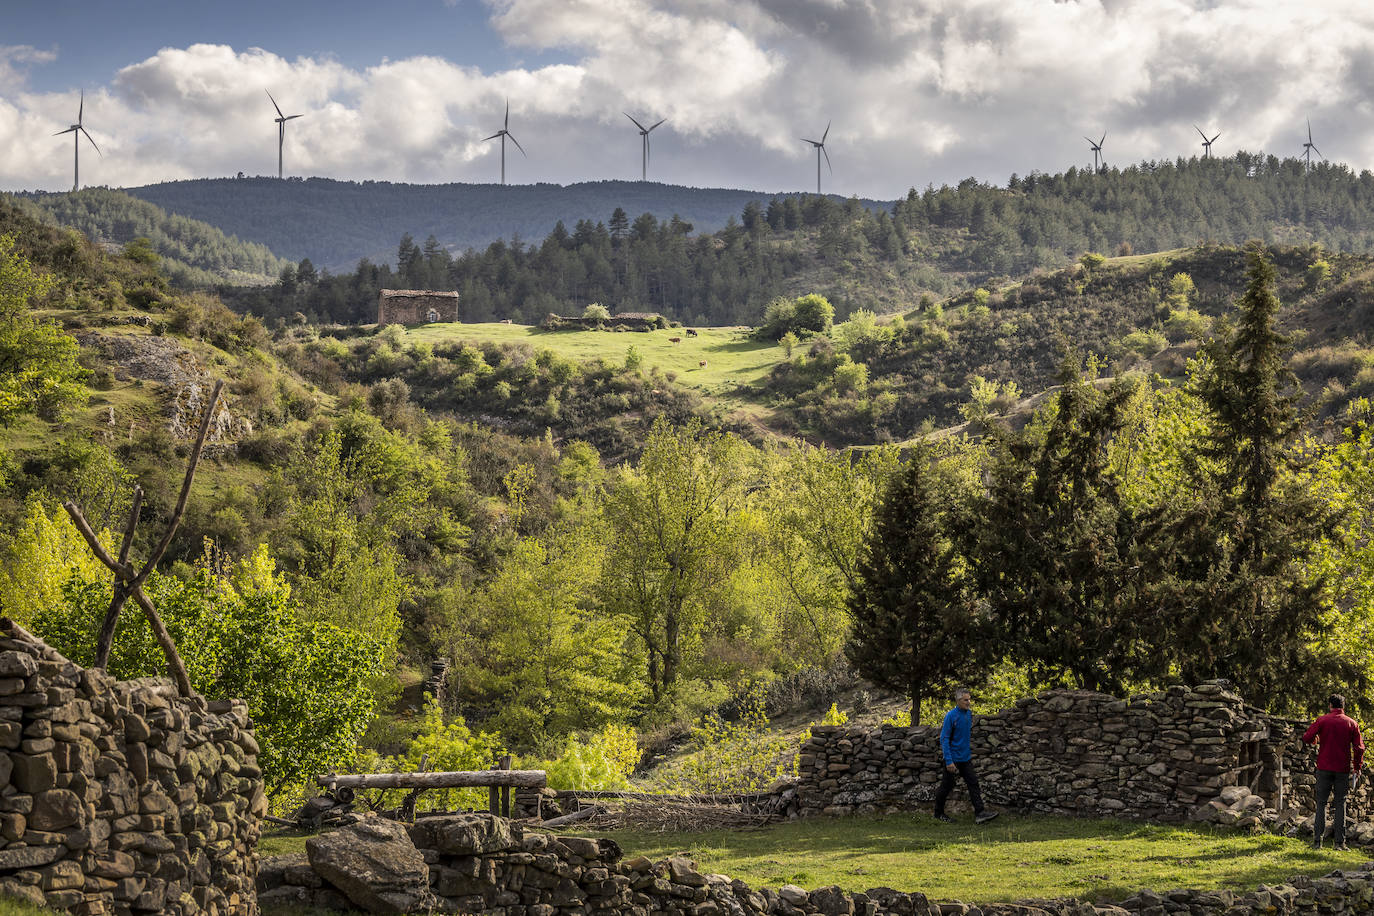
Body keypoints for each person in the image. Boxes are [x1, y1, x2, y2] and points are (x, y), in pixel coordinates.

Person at [1302, 693, 1365, 850]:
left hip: (1324, 767)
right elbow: (1359, 748)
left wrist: (1315, 739)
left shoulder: (1322, 720)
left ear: (1330, 705)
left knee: (1321, 804)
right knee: (1340, 803)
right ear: (1343, 706)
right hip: (1342, 769)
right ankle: (1339, 843)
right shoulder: (1351, 723)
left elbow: (1307, 737)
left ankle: (1317, 842)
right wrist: (1357, 767)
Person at [933, 687, 998, 824]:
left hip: (965, 758)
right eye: (965, 700)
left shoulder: (968, 714)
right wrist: (949, 761)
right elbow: (944, 738)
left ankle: (980, 813)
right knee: (947, 786)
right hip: (953, 759)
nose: (968, 702)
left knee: (973, 783)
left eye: (969, 699)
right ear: (958, 701)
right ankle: (938, 814)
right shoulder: (951, 716)